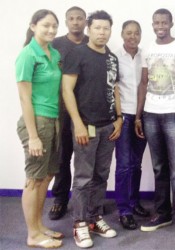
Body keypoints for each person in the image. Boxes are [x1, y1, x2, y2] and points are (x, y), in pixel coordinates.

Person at [135, 8, 175, 240]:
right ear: (152, 24)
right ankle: (163, 214)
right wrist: (139, 116)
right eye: (156, 22)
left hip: (174, 114)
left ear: (172, 24)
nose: (160, 26)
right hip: (151, 114)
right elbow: (143, 83)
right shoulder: (148, 49)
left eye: (164, 22)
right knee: (159, 168)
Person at [62, 10, 122, 248]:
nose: (102, 32)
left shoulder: (112, 58)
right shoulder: (77, 54)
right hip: (85, 126)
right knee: (83, 178)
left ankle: (95, 218)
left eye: (106, 28)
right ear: (89, 29)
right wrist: (77, 123)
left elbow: (115, 89)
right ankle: (79, 224)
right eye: (97, 28)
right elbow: (67, 90)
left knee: (101, 176)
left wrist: (119, 118)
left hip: (108, 126)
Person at [16, 9, 63, 248]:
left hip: (53, 120)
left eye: (55, 25)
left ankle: (39, 225)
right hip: (37, 122)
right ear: (33, 26)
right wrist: (33, 136)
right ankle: (32, 234)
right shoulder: (28, 54)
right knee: (34, 179)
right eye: (46, 25)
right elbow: (24, 98)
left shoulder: (53, 53)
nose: (51, 30)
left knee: (47, 176)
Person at [48, 6, 88, 221]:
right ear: (66, 21)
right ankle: (60, 199)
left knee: (86, 159)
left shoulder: (94, 43)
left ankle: (85, 201)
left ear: (85, 21)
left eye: (79, 18)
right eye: (71, 18)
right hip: (62, 110)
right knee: (62, 157)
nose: (75, 22)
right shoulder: (56, 45)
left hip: (88, 111)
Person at [114, 20, 149, 230]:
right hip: (123, 116)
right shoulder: (114, 57)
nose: (132, 37)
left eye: (136, 33)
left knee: (136, 164)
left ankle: (134, 202)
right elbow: (112, 88)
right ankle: (123, 209)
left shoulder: (146, 55)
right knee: (124, 165)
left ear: (141, 35)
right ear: (122, 34)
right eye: (128, 33)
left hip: (142, 115)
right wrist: (117, 116)